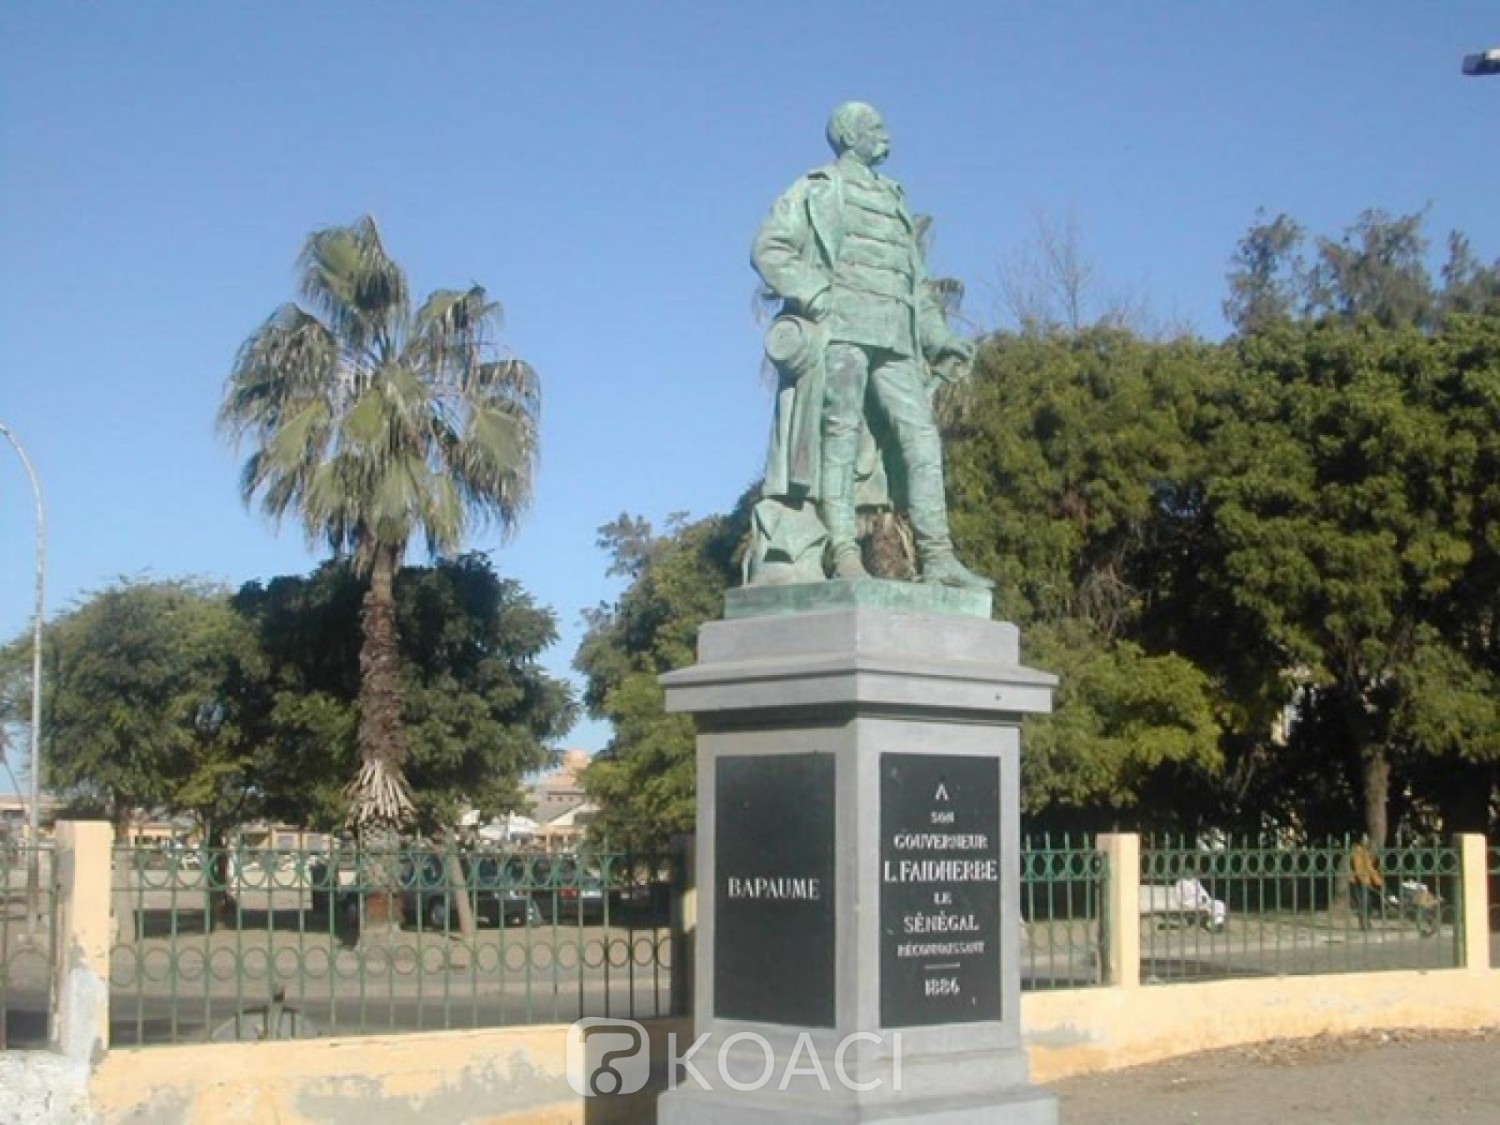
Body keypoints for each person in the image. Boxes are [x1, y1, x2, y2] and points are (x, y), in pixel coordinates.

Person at [749, 101, 991, 589]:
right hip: (843, 331)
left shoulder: (894, 197)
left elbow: (914, 282)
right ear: (848, 135)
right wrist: (817, 293)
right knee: (837, 435)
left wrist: (939, 337)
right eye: (875, 128)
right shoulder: (817, 189)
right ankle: (842, 553)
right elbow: (769, 247)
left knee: (922, 439)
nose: (886, 136)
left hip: (898, 339)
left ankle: (939, 558)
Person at [1349, 835, 1383, 931]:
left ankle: (1366, 922)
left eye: (1367, 840)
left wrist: (1379, 881)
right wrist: (1365, 881)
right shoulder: (1357, 851)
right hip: (1356, 882)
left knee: (1368, 902)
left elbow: (1370, 868)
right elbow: (1358, 868)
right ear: (1361, 841)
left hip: (1365, 882)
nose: (1367, 842)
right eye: (1365, 840)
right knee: (1362, 903)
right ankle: (1364, 924)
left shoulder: (1365, 852)